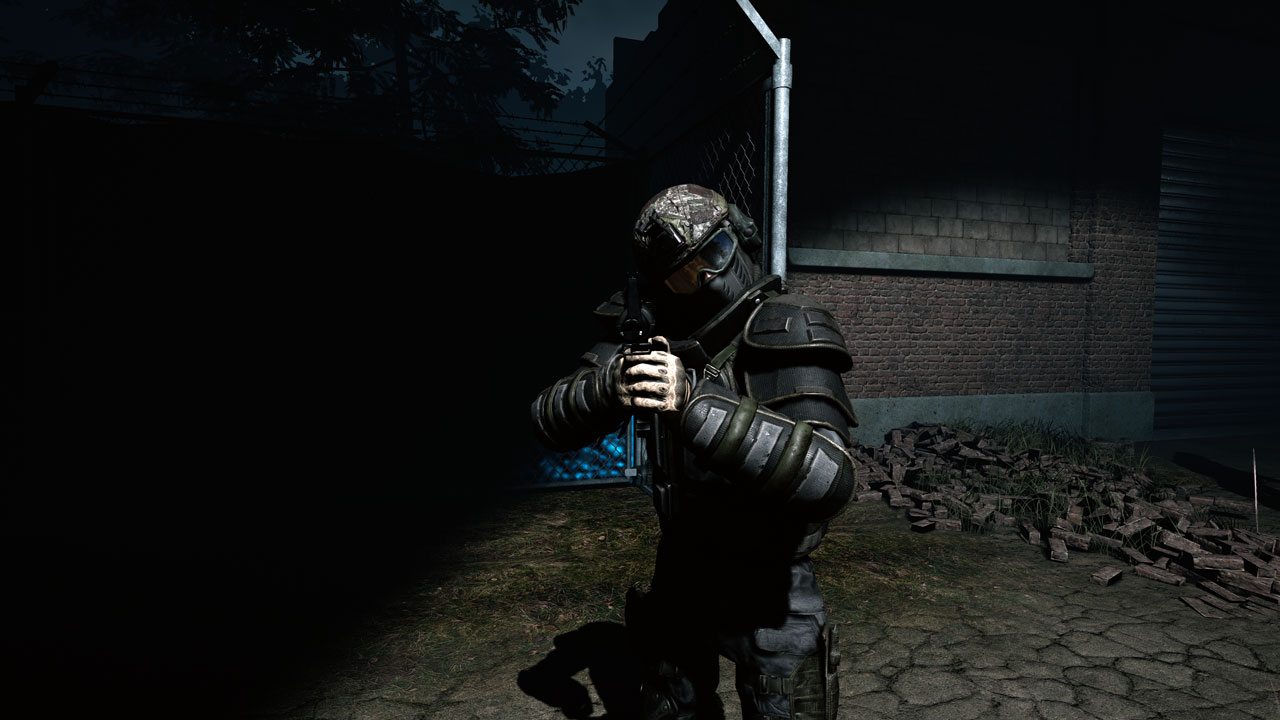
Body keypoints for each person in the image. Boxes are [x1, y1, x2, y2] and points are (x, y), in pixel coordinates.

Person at [530, 184, 856, 720]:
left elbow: (830, 477)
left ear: (740, 239)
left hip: (770, 578)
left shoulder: (786, 324)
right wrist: (609, 385)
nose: (706, 278)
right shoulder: (651, 327)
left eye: (716, 254)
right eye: (685, 273)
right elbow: (547, 418)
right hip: (683, 565)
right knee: (668, 706)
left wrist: (693, 403)